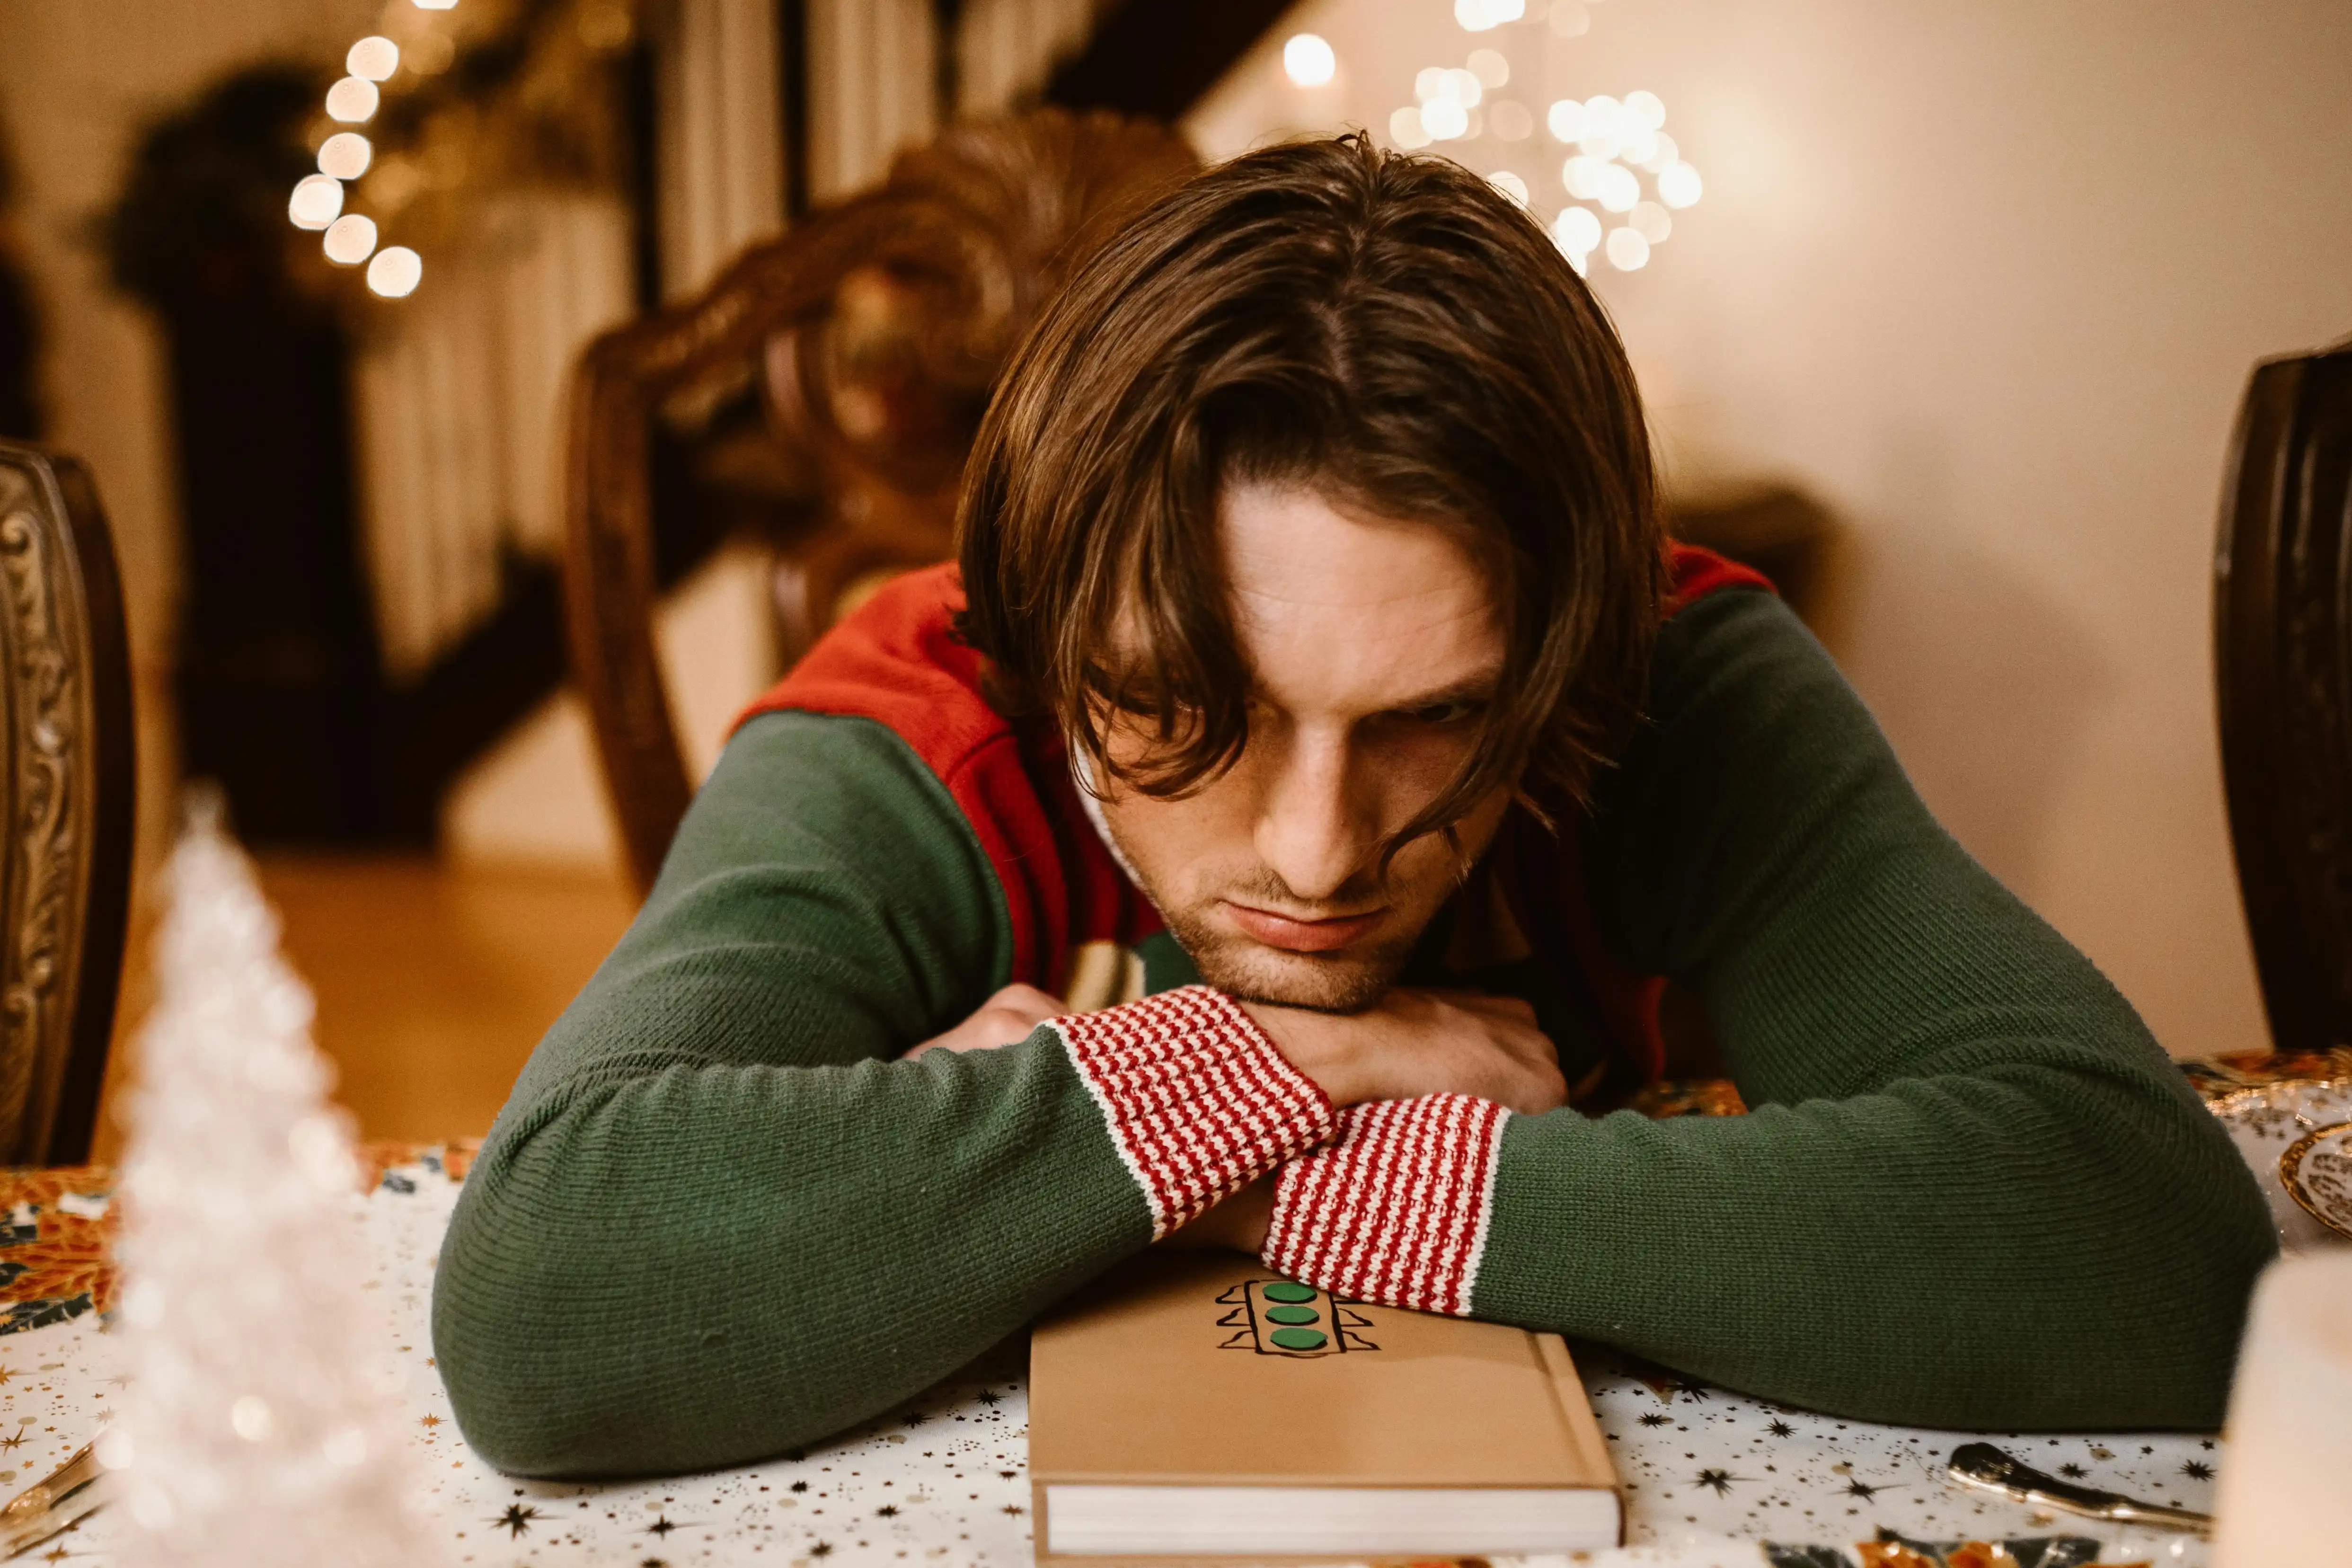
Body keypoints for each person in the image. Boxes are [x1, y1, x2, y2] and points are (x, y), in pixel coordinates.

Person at [432, 135, 2272, 1479]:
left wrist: (1164, 1170)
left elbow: (2150, 1249)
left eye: (1434, 723)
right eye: (1186, 717)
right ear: (1046, 639)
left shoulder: (1672, 675)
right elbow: (545, 1302)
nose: (1319, 855)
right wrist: (1291, 1069)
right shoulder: (915, 716)